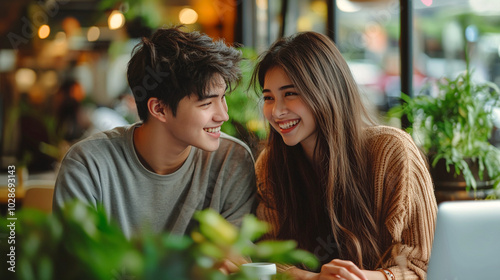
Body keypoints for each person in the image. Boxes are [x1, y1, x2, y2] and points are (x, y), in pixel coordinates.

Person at [252, 31, 437, 280]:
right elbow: (267, 258)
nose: (277, 111)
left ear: (326, 91)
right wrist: (313, 278)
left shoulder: (392, 151)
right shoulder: (271, 165)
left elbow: (422, 266)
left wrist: (358, 277)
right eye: (268, 98)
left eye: (290, 93)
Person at [53, 26, 256, 239]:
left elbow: (233, 262)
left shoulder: (231, 161)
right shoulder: (88, 165)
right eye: (206, 104)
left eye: (222, 97)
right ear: (159, 109)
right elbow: (78, 266)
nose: (223, 115)